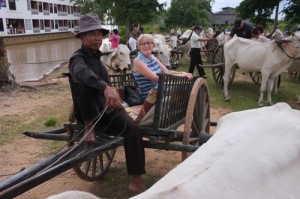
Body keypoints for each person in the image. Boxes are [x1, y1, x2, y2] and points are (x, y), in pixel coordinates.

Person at [68, 13, 146, 193]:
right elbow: (83, 74)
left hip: (108, 111)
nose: (97, 38)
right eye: (91, 34)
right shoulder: (77, 59)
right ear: (81, 37)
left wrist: (114, 95)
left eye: (99, 33)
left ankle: (136, 178)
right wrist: (105, 87)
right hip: (90, 113)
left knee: (133, 130)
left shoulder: (98, 58)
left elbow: (106, 82)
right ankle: (89, 127)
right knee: (84, 84)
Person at [133, 34, 193, 101]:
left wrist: (183, 73)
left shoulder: (153, 58)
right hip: (151, 96)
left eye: (149, 43)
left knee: (186, 87)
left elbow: (167, 72)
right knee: (183, 87)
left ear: (153, 45)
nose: (146, 45)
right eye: (143, 44)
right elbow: (155, 78)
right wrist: (182, 76)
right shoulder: (138, 61)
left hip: (161, 90)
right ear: (139, 47)